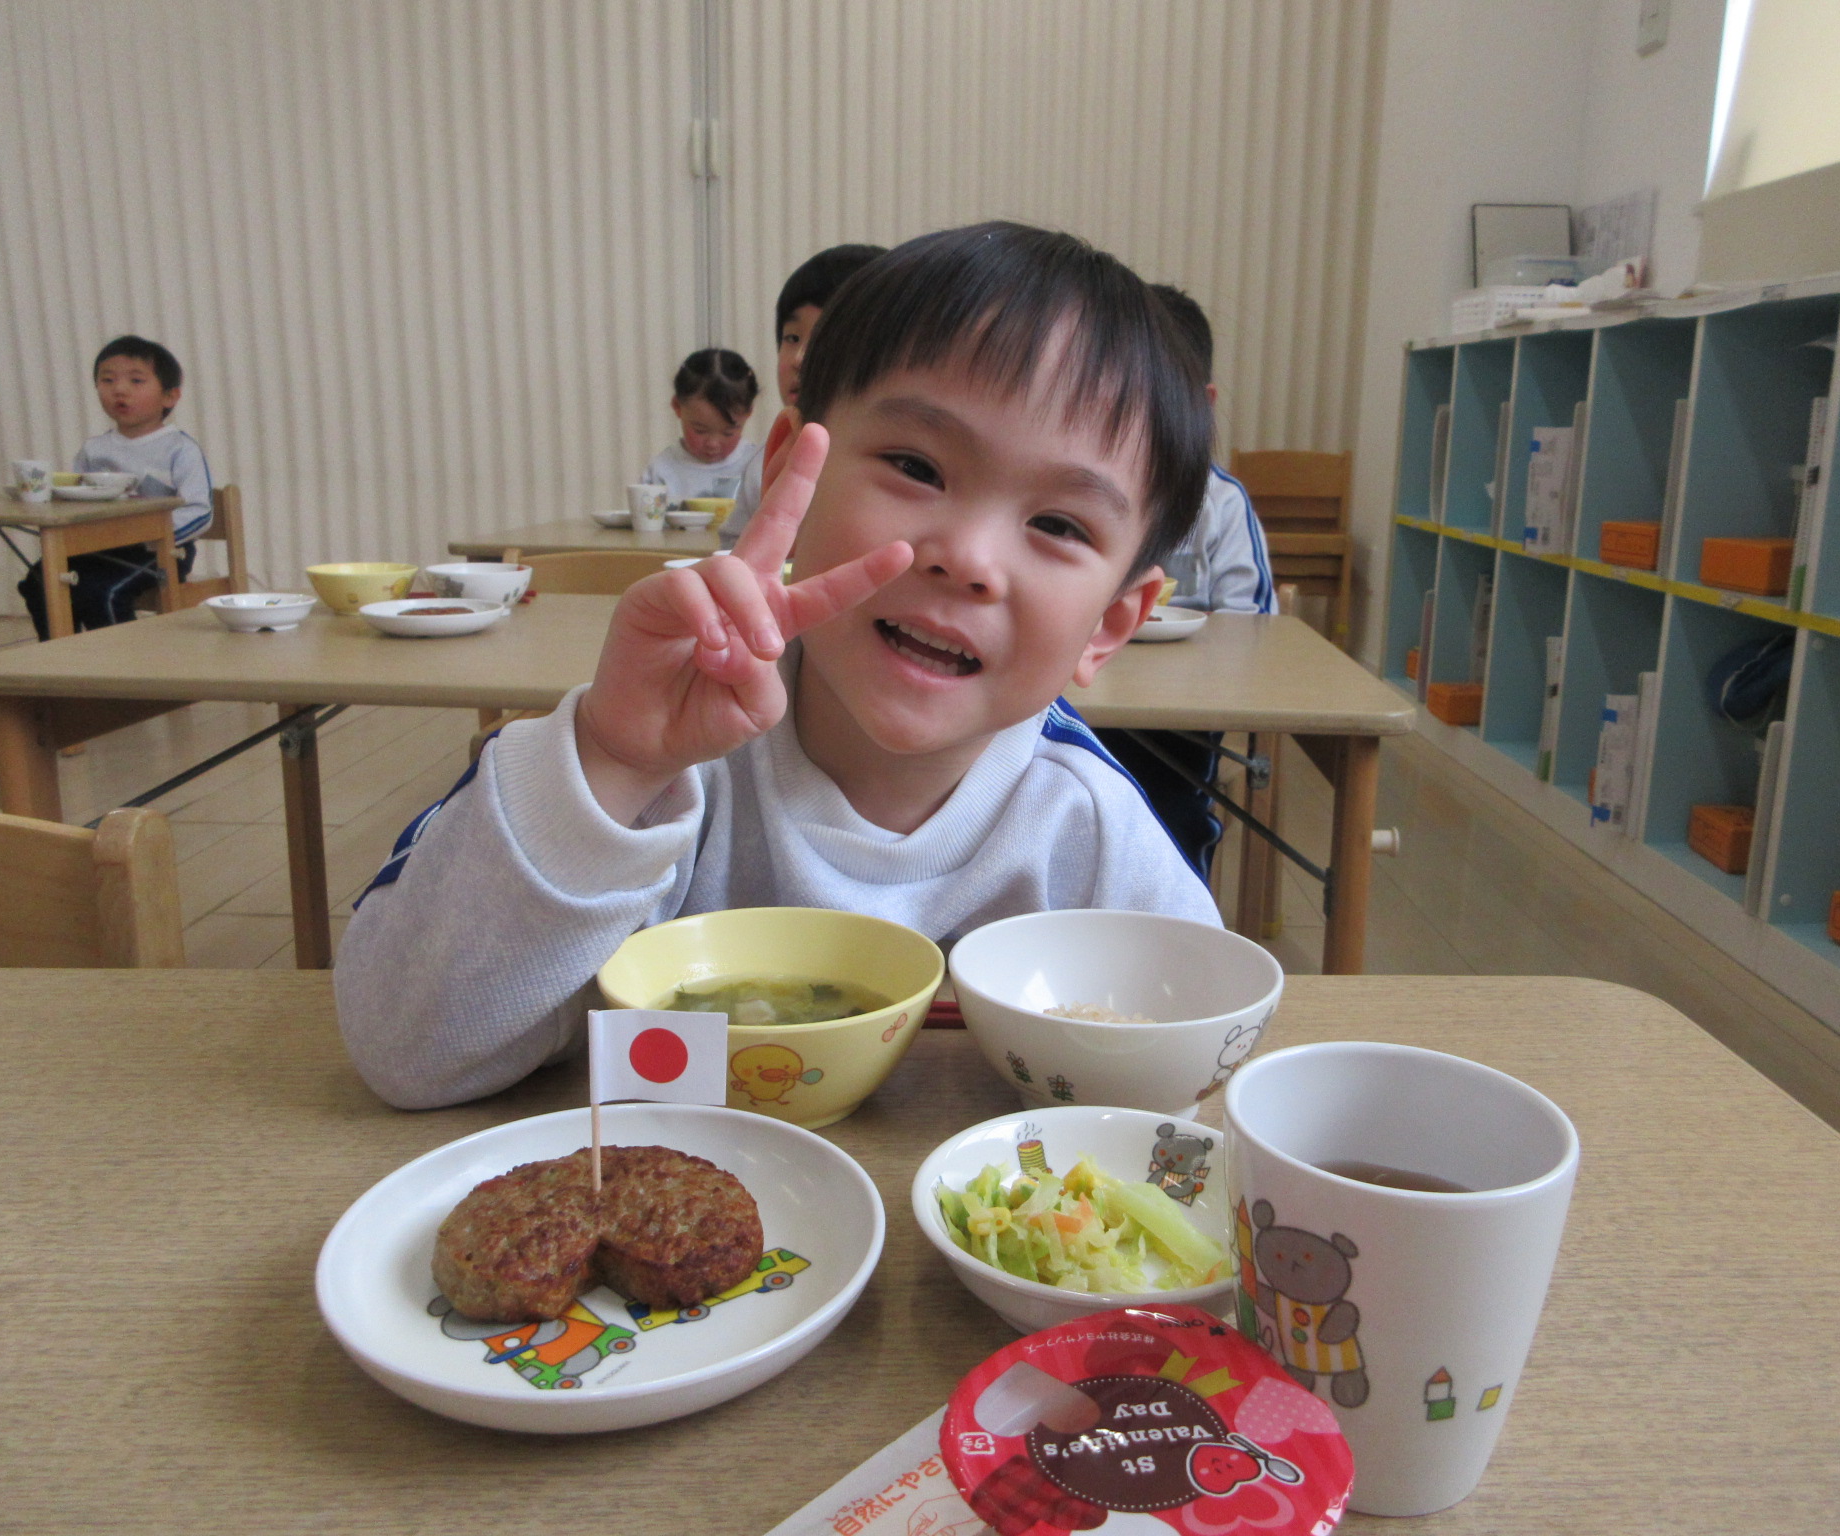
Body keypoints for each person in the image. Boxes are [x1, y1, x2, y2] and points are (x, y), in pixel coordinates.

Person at [336, 221, 1219, 1109]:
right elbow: (408, 1050)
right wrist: (613, 758)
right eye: (916, 467)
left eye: (1059, 525)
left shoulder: (1088, 832)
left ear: (1111, 623)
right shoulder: (675, 754)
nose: (969, 560)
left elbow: (1191, 1072)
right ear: (790, 468)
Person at [1095, 285, 1275, 879]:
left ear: (1204, 404)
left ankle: (1174, 902)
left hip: (1182, 713)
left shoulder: (1223, 502)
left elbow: (1255, 628)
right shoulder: (1085, 493)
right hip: (1082, 692)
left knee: (1171, 814)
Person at [17, 335, 212, 637]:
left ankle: (124, 663)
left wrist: (150, 537)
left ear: (170, 397)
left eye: (136, 381)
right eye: (107, 380)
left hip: (160, 552)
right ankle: (61, 654)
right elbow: (77, 503)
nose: (119, 390)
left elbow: (200, 511)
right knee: (38, 580)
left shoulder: (179, 449)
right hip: (99, 548)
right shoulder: (94, 449)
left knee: (101, 592)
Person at [718, 242, 887, 548]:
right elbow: (734, 548)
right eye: (792, 338)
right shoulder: (768, 459)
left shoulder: (898, 467)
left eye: (827, 340)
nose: (800, 358)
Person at [639, 348, 762, 505]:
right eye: (700, 431)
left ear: (749, 412)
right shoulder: (660, 473)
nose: (713, 444)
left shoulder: (756, 467)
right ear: (677, 406)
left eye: (728, 433)